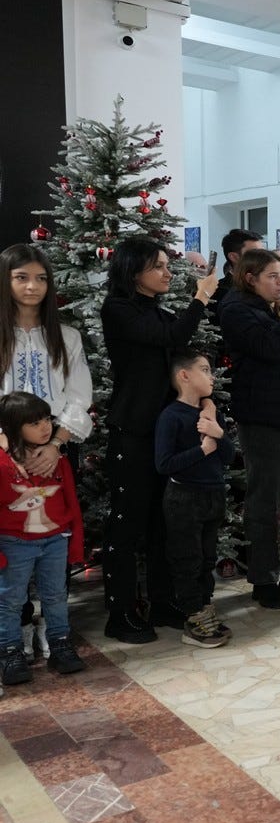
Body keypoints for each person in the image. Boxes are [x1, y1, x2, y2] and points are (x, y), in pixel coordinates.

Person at [101, 240, 220, 642]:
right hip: (133, 430)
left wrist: (207, 402)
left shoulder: (160, 312)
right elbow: (170, 335)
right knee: (127, 524)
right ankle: (120, 613)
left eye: (168, 265)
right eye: (159, 267)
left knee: (162, 523)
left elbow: (182, 365)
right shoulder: (118, 310)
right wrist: (201, 298)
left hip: (166, 431)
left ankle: (164, 602)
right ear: (134, 271)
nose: (168, 273)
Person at [0, 244, 94, 655]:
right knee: (11, 540)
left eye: (40, 278)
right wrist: (5, 443)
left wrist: (55, 443)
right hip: (4, 449)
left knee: (54, 531)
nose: (32, 286)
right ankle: (15, 628)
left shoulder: (66, 337)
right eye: (21, 277)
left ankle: (54, 629)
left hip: (55, 443)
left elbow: (80, 396)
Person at [218, 248, 280, 609]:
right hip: (263, 419)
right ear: (250, 278)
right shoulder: (236, 309)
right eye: (273, 276)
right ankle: (264, 577)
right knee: (265, 498)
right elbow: (272, 347)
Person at [0, 392, 87, 684]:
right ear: (14, 427)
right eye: (35, 423)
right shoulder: (2, 463)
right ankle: (10, 651)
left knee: (56, 595)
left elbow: (71, 503)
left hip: (54, 540)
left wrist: (72, 539)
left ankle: (60, 643)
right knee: (10, 599)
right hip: (14, 543)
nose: (45, 427)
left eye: (47, 419)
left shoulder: (57, 460)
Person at [154, 351, 236, 648]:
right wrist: (202, 450)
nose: (211, 376)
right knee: (188, 559)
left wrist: (218, 434)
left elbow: (228, 457)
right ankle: (193, 617)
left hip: (213, 495)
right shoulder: (171, 416)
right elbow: (164, 464)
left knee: (207, 558)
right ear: (184, 375)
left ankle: (205, 609)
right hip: (184, 497)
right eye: (204, 369)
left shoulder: (212, 414)